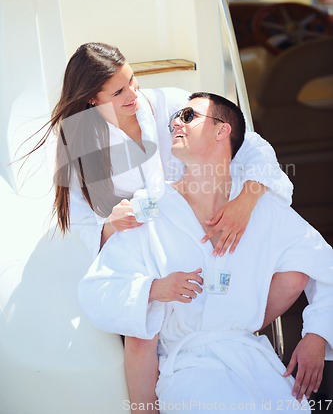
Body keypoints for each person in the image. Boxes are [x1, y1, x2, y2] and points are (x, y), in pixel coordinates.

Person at [26, 42, 303, 409]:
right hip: (148, 244)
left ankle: (233, 333)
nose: (134, 94)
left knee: (262, 282)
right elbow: (77, 216)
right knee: (142, 325)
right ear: (92, 99)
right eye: (119, 91)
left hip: (203, 228)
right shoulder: (75, 137)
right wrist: (109, 226)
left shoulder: (171, 105)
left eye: (133, 81)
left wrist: (246, 200)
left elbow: (253, 147)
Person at [78, 92, 333, 412]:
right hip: (191, 376)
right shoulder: (149, 208)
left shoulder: (263, 209)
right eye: (173, 118)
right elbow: (98, 291)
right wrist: (155, 289)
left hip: (261, 372)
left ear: (222, 130)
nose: (174, 124)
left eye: (187, 116)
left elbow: (323, 264)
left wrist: (317, 335)